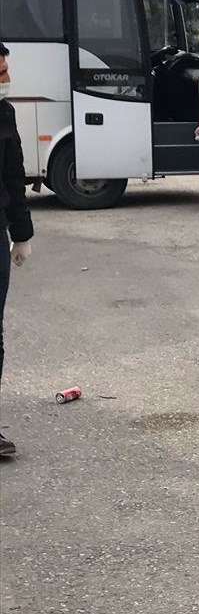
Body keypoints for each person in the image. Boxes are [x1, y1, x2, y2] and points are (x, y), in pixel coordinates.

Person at [0, 41, 34, 456]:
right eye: (1, 73)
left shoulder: (4, 114)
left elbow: (14, 175)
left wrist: (21, 234)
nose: (7, 79)